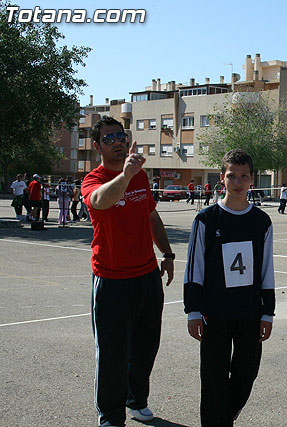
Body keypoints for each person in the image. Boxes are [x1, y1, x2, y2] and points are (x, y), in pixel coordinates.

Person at [81, 116, 174, 427]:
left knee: (146, 347)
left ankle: (136, 400)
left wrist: (167, 253)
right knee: (112, 353)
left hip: (146, 276)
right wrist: (125, 175)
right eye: (109, 139)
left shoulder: (140, 176)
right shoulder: (93, 179)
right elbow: (100, 201)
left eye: (120, 136)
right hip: (111, 279)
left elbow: (151, 217)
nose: (117, 142)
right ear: (97, 147)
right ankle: (110, 415)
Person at [184, 149, 275, 427]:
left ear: (252, 179)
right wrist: (192, 310)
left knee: (246, 373)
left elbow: (266, 269)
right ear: (221, 178)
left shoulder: (261, 221)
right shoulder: (206, 219)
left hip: (250, 311)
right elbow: (195, 267)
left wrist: (268, 312)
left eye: (243, 176)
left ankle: (224, 415)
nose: (237, 182)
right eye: (232, 176)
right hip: (215, 312)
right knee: (213, 376)